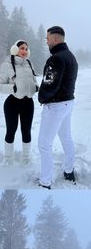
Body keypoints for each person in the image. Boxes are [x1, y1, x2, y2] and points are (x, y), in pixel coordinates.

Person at [38, 26, 78, 189]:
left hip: (55, 106)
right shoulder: (70, 57)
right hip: (68, 103)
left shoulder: (56, 59)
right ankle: (69, 171)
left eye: (47, 38)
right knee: (66, 137)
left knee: (44, 144)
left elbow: (50, 84)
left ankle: (45, 181)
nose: (46, 41)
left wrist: (41, 97)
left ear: (55, 39)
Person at [0, 40, 38, 165]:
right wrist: (12, 88)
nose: (24, 51)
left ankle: (26, 158)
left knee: (26, 131)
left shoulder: (29, 63)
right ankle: (8, 159)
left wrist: (36, 87)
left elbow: (34, 80)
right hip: (12, 104)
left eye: (26, 49)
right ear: (15, 49)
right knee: (11, 130)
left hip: (28, 103)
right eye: (21, 48)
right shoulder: (7, 65)